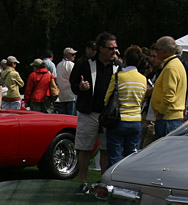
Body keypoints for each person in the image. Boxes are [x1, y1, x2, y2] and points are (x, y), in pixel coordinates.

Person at [70, 32, 118, 193]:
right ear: (101, 48)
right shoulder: (84, 64)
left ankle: (103, 183)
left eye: (115, 48)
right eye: (111, 48)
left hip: (108, 115)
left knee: (105, 149)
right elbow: (73, 83)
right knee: (84, 148)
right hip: (88, 112)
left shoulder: (118, 67)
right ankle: (83, 182)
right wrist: (80, 88)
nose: (114, 51)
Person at [104, 45, 146, 167]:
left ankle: (113, 184)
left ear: (125, 60)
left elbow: (107, 99)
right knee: (132, 159)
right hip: (136, 121)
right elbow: (142, 99)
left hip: (118, 120)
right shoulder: (143, 79)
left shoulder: (118, 77)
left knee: (114, 157)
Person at [150, 36, 186, 139]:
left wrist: (161, 112)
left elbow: (169, 94)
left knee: (163, 153)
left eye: (157, 50)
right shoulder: (176, 64)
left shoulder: (171, 68)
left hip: (168, 119)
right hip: (172, 117)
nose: (155, 53)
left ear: (164, 51)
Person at [55, 47, 77, 115]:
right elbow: (75, 78)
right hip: (71, 95)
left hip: (62, 96)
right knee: (72, 118)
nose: (74, 56)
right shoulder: (71, 64)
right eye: (72, 54)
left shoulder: (58, 65)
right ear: (67, 55)